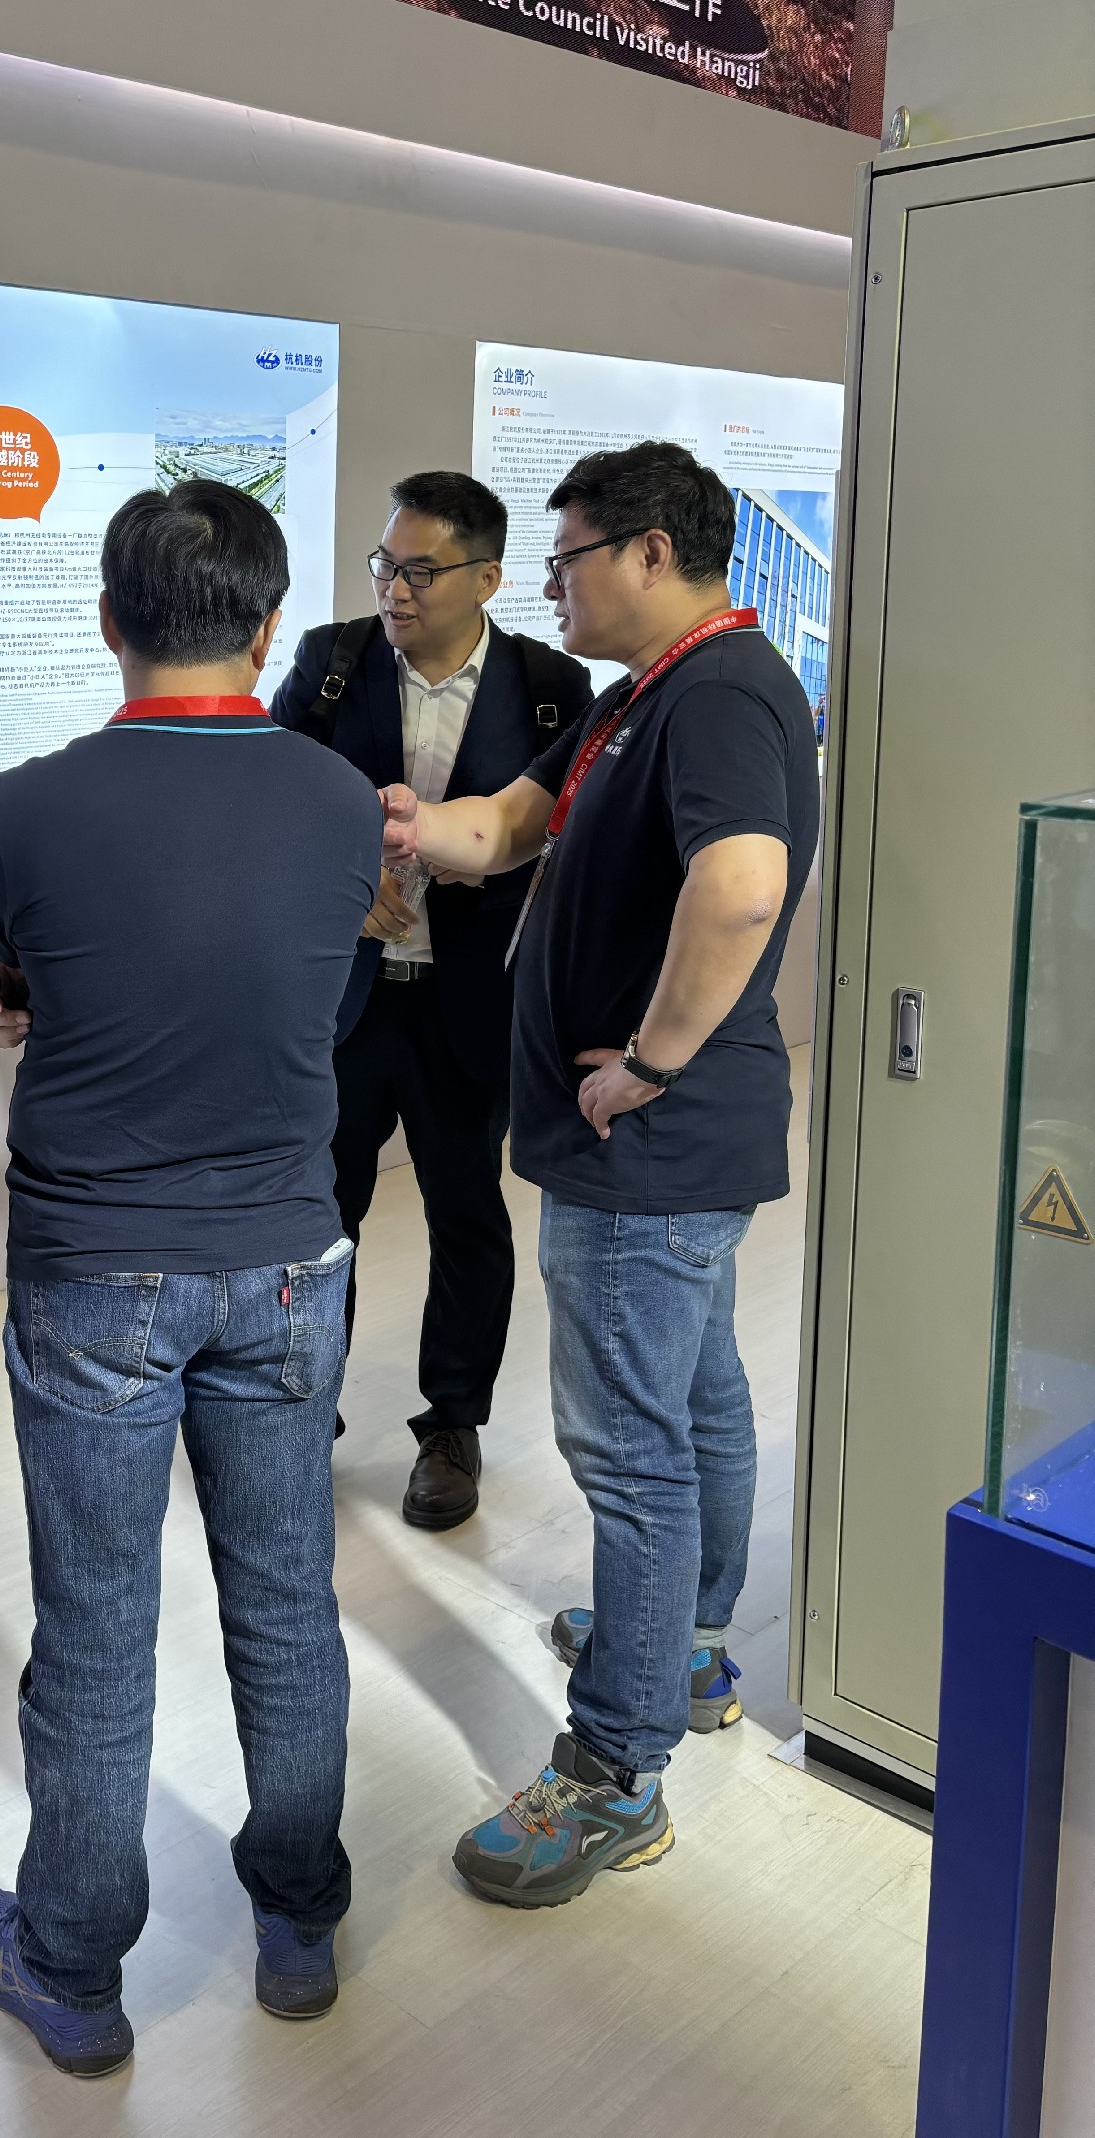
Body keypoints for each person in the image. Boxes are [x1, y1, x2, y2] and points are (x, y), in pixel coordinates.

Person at [0, 481, 381, 2076]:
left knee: (95, 1623)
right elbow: (302, 987)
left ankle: (71, 1964)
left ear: (109, 621)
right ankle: (300, 1915)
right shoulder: (341, 800)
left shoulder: (19, 805)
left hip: (92, 1269)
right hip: (287, 1261)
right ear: (268, 629)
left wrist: (46, 996)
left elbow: (30, 964)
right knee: (287, 1600)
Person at [381, 441, 817, 1909]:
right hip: (665, 1149)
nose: (551, 586)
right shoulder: (645, 696)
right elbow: (506, 825)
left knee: (632, 1453)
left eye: (566, 559)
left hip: (647, 1148)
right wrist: (399, 825)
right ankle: (682, 1650)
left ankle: (616, 1769)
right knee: (699, 1399)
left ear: (648, 552)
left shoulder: (723, 694)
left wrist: (649, 1060)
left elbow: (741, 887)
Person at [272, 473, 591, 1528]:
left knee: (465, 1214)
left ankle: (452, 1424)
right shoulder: (332, 662)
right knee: (321, 1215)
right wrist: (340, 886)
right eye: (385, 565)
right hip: (346, 1000)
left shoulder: (549, 685)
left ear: (487, 577)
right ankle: (300, 1413)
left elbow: (562, 838)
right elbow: (268, 797)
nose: (394, 589)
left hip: (468, 1004)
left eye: (420, 570)